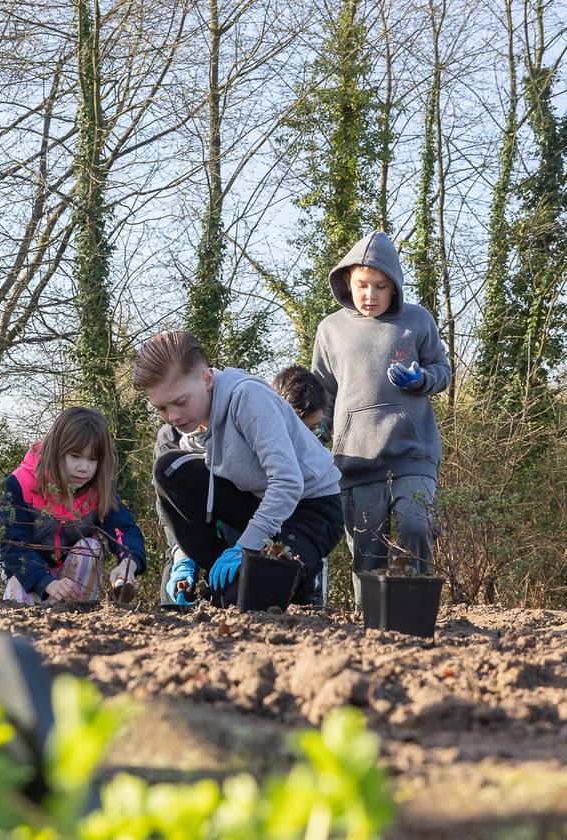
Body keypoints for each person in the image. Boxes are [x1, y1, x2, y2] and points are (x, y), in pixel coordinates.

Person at [134, 330, 343, 609]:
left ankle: (304, 575)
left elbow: (288, 482)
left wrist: (247, 546)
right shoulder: (178, 431)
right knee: (169, 468)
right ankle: (219, 576)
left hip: (311, 507)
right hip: (257, 503)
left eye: (181, 402)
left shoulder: (248, 398)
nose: (172, 416)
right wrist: (183, 558)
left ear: (207, 379)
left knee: (249, 599)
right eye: (161, 407)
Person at [310, 230, 451, 607]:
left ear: (394, 287)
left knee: (414, 525)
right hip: (356, 458)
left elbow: (442, 370)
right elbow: (323, 393)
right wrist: (316, 436)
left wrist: (422, 379)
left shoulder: (417, 321)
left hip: (413, 451)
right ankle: (370, 626)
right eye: (361, 285)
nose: (369, 294)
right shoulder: (330, 329)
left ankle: (417, 613)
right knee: (367, 550)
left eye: (380, 286)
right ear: (346, 282)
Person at [0, 406, 146, 605]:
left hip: (74, 579)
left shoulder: (99, 488)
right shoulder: (20, 483)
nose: (83, 468)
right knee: (20, 607)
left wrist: (128, 562)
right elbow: (12, 543)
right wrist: (46, 583)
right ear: (56, 450)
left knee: (89, 547)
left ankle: (79, 615)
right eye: (75, 456)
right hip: (29, 575)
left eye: (92, 459)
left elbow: (124, 528)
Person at [272, 364, 331, 606]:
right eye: (303, 429)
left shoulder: (319, 456)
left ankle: (313, 597)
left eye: (315, 428)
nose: (310, 436)